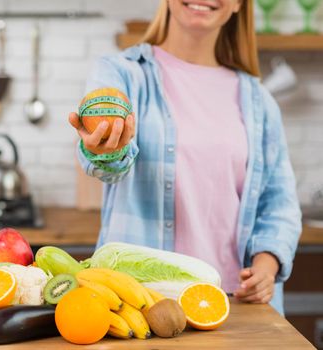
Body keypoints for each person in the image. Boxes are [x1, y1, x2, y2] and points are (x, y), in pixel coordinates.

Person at [69, 0, 301, 314]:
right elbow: (108, 165)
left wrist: (267, 266)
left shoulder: (260, 100)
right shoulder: (121, 73)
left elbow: (279, 202)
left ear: (238, 4)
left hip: (232, 302)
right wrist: (104, 150)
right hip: (141, 302)